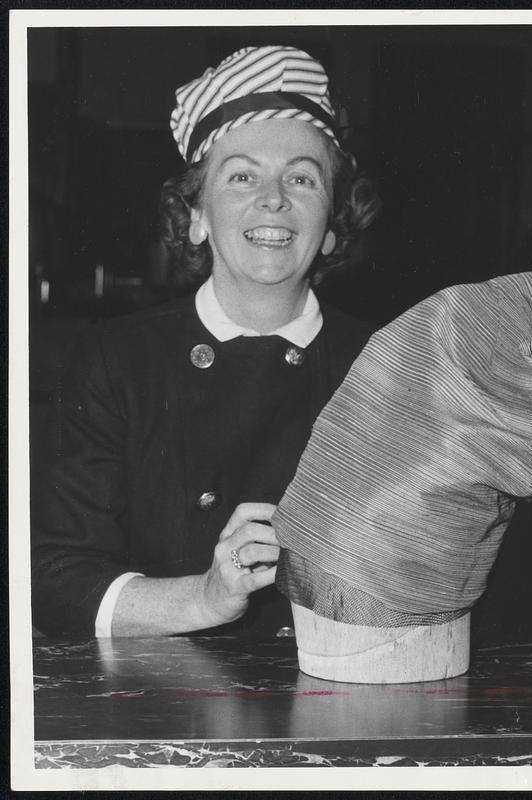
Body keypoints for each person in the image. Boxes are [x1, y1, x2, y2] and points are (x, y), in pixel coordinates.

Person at [31, 45, 380, 639]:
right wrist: (206, 599)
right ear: (195, 214)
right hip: (157, 700)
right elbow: (57, 582)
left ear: (330, 226)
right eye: (242, 175)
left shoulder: (387, 364)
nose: (273, 198)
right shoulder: (118, 360)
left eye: (302, 177)